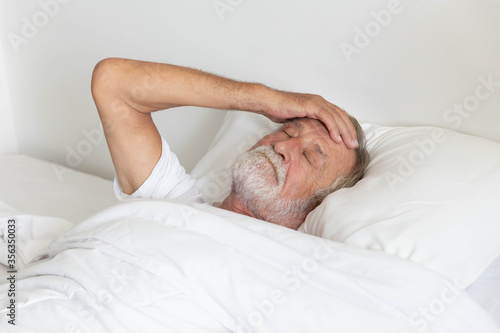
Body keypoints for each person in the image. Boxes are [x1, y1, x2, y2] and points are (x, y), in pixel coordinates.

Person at [91, 58, 370, 230]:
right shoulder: (175, 204)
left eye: (309, 157)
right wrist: (266, 99)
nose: (282, 147)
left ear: (317, 207)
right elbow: (112, 82)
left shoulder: (288, 268)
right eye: (287, 132)